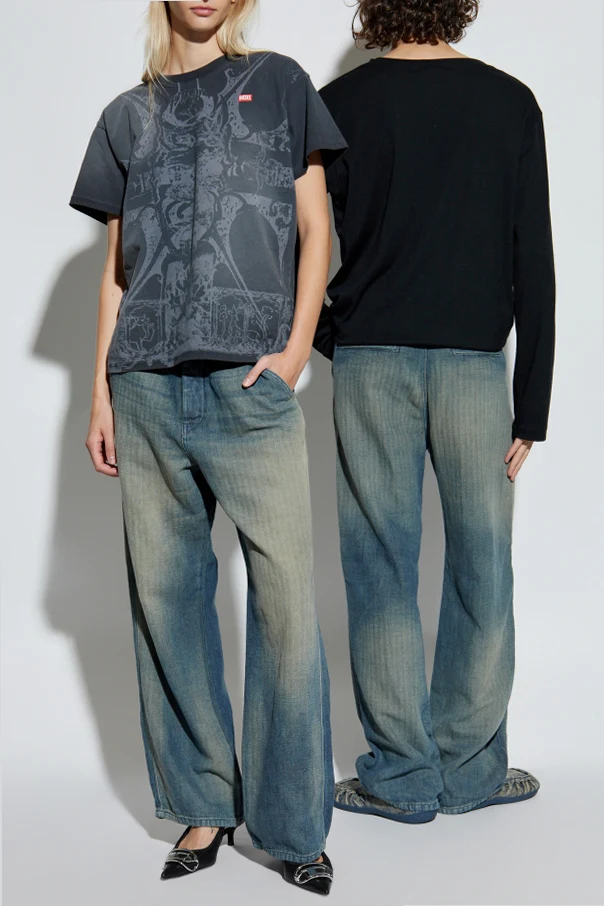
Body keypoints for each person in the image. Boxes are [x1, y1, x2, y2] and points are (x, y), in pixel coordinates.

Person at [69, 0, 346, 893]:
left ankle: (293, 824)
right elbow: (118, 272)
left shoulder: (280, 84)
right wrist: (100, 391)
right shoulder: (125, 115)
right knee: (168, 603)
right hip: (146, 386)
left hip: (248, 385)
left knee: (288, 606)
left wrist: (295, 352)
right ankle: (201, 804)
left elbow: (317, 230)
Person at [315, 0, 555, 821]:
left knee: (379, 569)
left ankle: (400, 778)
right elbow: (533, 256)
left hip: (371, 363)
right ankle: (470, 769)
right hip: (474, 370)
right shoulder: (509, 102)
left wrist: (334, 337)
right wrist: (532, 405)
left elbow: (296, 242)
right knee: (483, 566)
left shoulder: (340, 105)